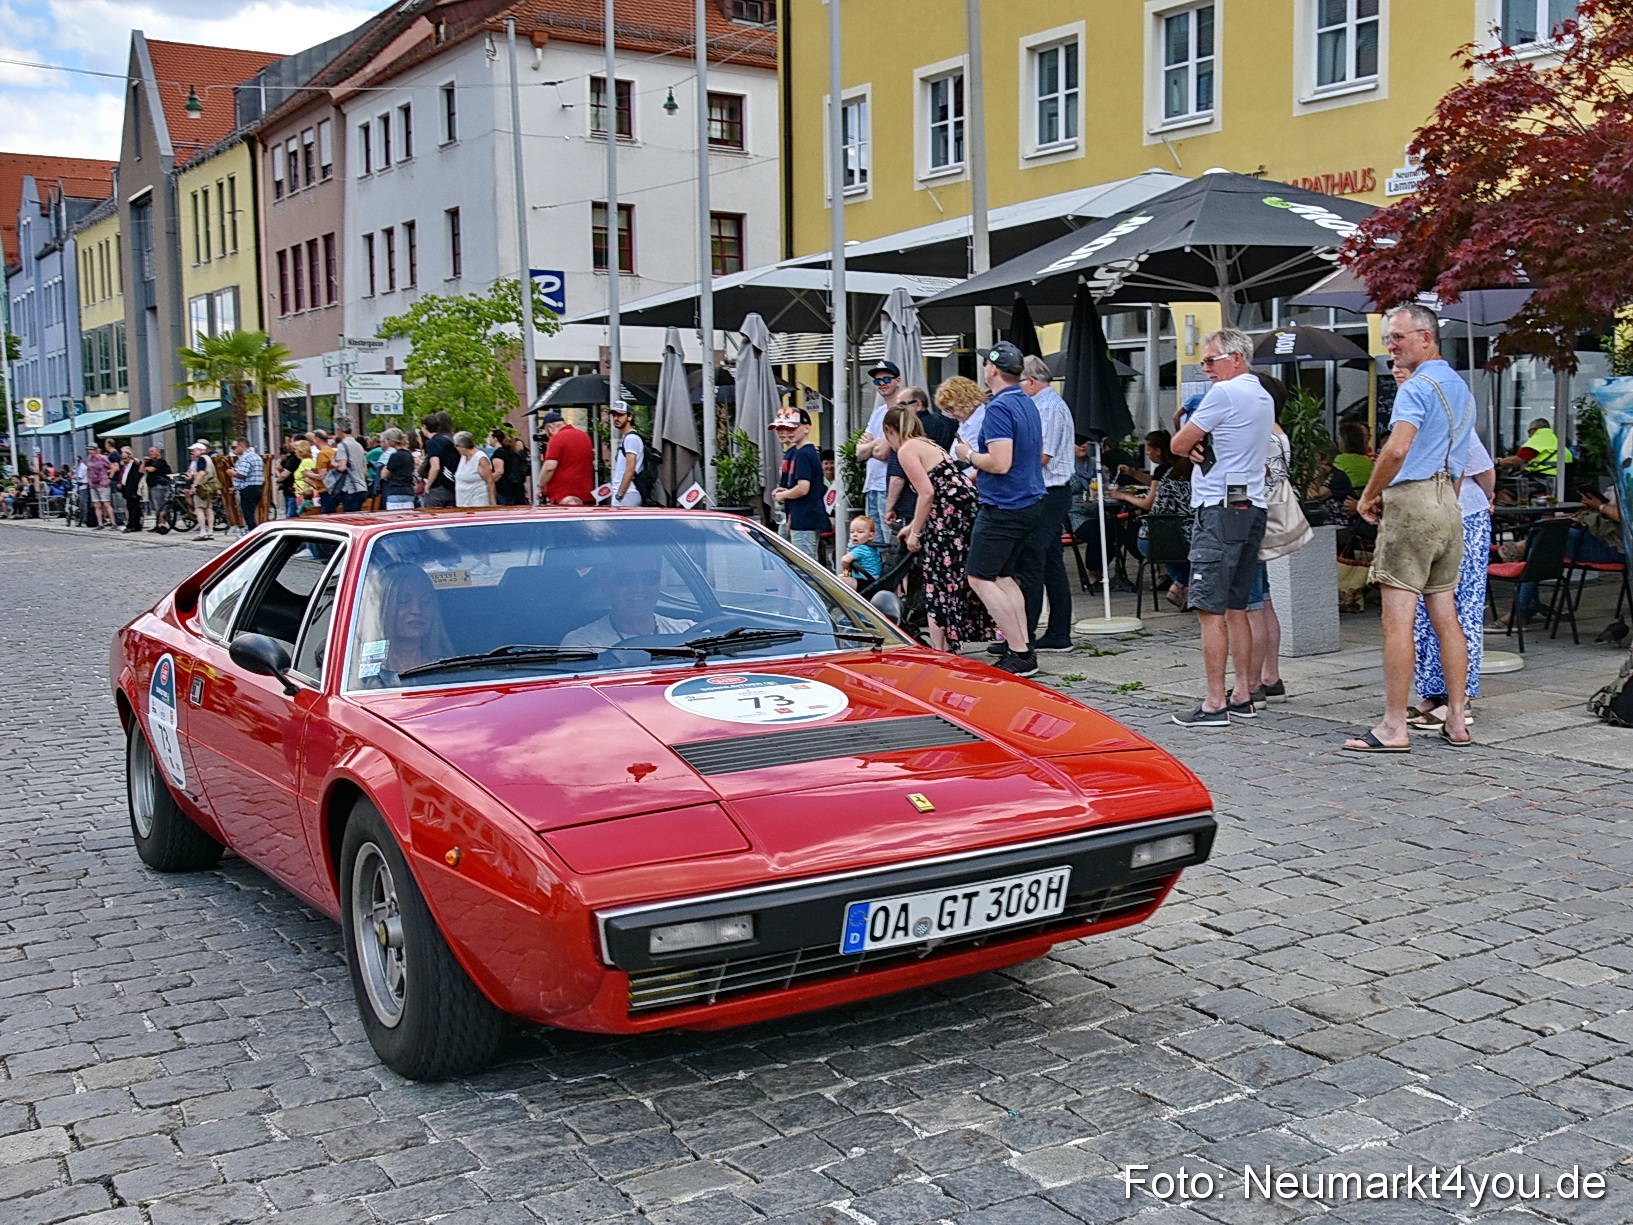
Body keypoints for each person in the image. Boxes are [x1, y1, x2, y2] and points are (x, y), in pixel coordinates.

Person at [1346, 303, 1475, 752]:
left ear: (1427, 336)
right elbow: (1458, 459)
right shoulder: (1460, 386)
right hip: (1448, 503)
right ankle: (1456, 718)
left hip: (1414, 500)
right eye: (1388, 339)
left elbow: (1397, 451)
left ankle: (1393, 726)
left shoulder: (1416, 387)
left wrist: (1368, 495)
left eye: (1398, 337)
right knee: (1446, 615)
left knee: (1396, 621)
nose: (1391, 346)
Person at [1168, 328, 1275, 727]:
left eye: (1211, 360)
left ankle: (1215, 702)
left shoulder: (1225, 393)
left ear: (1236, 358)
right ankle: (1243, 693)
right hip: (1250, 505)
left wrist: (1194, 441)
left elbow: (1179, 443)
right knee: (1238, 605)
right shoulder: (1262, 394)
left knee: (1210, 608)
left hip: (1217, 507)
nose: (1206, 367)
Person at [952, 341, 1047, 677]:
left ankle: (1019, 651)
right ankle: (1023, 648)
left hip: (1004, 506)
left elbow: (1000, 462)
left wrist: (967, 456)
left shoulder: (999, 408)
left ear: (991, 369)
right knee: (1005, 576)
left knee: (979, 577)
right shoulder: (1026, 400)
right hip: (1029, 501)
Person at [888, 405, 994, 651]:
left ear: (889, 430)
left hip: (949, 517)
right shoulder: (929, 444)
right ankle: (950, 640)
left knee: (937, 579)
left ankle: (940, 647)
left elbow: (927, 493)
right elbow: (944, 485)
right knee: (956, 578)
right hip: (963, 511)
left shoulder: (906, 450)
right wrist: (914, 524)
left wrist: (916, 533)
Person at [1411, 431, 1497, 732]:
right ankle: (1435, 691)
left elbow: (1485, 471)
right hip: (1431, 514)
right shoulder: (1415, 413)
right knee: (1426, 609)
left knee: (1463, 607)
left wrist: (1486, 497)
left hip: (1463, 515)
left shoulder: (1455, 417)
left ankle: (1460, 697)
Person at [1016, 354, 1077, 652]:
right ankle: (1057, 631)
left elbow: (1043, 456)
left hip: (1051, 490)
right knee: (1050, 562)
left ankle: (1025, 635)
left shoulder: (1050, 408)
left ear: (1031, 381)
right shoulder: (1043, 405)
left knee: (1034, 561)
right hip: (1047, 490)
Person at [1109, 450, 1195, 609]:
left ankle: (1184, 592)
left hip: (1148, 540)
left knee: (1178, 552)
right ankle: (1182, 586)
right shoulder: (1196, 482)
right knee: (1206, 548)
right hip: (1177, 541)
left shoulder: (1168, 475)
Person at [561, 553, 695, 648]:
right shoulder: (582, 645)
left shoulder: (690, 632)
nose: (639, 587)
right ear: (604, 584)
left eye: (649, 577)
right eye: (626, 578)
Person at [354, 564, 454, 686]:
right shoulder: (361, 674)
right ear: (383, 608)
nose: (416, 610)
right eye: (403, 601)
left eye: (425, 601)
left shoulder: (449, 670)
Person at [855, 360, 913, 542]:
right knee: (872, 542)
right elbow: (859, 452)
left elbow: (886, 453)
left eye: (886, 379)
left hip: (889, 486)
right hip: (872, 484)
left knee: (891, 540)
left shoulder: (903, 412)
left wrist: (872, 446)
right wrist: (875, 445)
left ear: (898, 380)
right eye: (877, 381)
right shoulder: (878, 412)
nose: (882, 384)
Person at [769, 406, 825, 557]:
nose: (787, 432)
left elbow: (803, 488)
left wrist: (783, 495)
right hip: (800, 516)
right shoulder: (802, 452)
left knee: (805, 566)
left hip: (805, 518)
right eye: (782, 428)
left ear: (806, 428)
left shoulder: (803, 454)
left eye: (792, 428)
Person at [1497, 416, 1573, 495]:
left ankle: (1512, 506)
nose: (1529, 436)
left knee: (1502, 489)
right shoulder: (1556, 441)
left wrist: (1499, 462)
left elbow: (1516, 461)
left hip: (1541, 480)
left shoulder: (1540, 438)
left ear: (1534, 429)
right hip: (1559, 482)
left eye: (1529, 432)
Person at [537, 411, 593, 505]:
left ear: (550, 428)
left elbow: (549, 468)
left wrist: (540, 486)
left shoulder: (556, 438)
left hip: (563, 497)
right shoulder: (584, 436)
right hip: (586, 496)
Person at [419, 412, 458, 508]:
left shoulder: (431, 442)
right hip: (450, 485)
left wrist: (428, 485)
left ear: (425, 426)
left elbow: (435, 467)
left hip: (438, 486)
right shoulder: (447, 441)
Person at [608, 404, 645, 507]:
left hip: (628, 494)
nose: (616, 418)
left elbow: (630, 469)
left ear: (630, 417)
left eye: (620, 415)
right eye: (614, 415)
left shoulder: (631, 438)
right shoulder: (627, 438)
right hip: (627, 493)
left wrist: (620, 495)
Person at [329, 423, 370, 513]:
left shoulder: (342, 445)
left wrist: (333, 463)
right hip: (361, 487)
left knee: (350, 516)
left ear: (340, 430)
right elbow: (364, 468)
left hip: (349, 488)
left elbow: (342, 467)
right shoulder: (359, 445)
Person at [186, 440, 219, 540]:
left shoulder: (201, 459)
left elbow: (201, 473)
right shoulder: (208, 459)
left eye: (194, 450)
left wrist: (194, 486)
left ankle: (202, 531)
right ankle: (210, 531)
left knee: (199, 508)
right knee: (209, 509)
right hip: (210, 486)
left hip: (202, 487)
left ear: (200, 450)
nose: (192, 452)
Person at [452, 431, 495, 507]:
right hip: (463, 502)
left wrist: (492, 502)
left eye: (456, 446)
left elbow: (490, 481)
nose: (455, 448)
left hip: (477, 502)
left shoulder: (480, 459)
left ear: (463, 447)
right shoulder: (463, 457)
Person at [379, 428, 417, 510]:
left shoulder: (395, 456)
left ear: (392, 441)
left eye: (387, 439)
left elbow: (384, 475)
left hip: (395, 491)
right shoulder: (408, 454)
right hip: (408, 491)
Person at [230, 440, 264, 531]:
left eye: (236, 447)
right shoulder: (257, 457)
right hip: (257, 487)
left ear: (242, 446)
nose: (235, 450)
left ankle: (253, 533)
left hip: (248, 488)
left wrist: (232, 472)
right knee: (251, 512)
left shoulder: (245, 458)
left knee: (248, 514)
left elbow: (242, 474)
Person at [489, 429, 530, 506]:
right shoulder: (511, 451)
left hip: (502, 489)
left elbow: (499, 472)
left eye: (490, 437)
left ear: (495, 439)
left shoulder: (498, 453)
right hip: (514, 488)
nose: (489, 440)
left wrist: (489, 481)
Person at [840, 515, 883, 585]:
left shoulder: (862, 549)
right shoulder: (870, 547)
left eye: (860, 532)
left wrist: (846, 566)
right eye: (852, 532)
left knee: (840, 581)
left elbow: (845, 560)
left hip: (867, 581)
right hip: (872, 579)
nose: (855, 535)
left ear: (870, 536)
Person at [1333, 420, 1374, 491]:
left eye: (1339, 438)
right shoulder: (1368, 460)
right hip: (1362, 497)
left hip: (1345, 498)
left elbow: (1331, 483)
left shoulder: (1340, 460)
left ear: (1344, 441)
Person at [141, 446, 172, 530]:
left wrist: (146, 468)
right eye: (149, 451)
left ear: (157, 452)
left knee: (160, 506)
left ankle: (162, 524)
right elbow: (140, 471)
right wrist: (144, 462)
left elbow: (151, 469)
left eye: (152, 451)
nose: (150, 453)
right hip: (152, 487)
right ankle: (158, 524)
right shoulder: (150, 462)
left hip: (160, 486)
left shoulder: (161, 462)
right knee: (156, 506)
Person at [85, 447, 113, 528]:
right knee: (96, 504)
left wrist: (109, 479)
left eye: (91, 450)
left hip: (102, 483)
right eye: (89, 450)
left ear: (96, 450)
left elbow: (113, 467)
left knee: (106, 503)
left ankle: (113, 523)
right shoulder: (89, 459)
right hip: (94, 484)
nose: (90, 452)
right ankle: (100, 524)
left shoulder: (103, 458)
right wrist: (89, 480)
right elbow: (88, 470)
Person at [276, 441, 301, 520]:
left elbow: (285, 474)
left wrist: (279, 480)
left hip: (294, 491)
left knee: (291, 517)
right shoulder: (290, 457)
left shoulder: (295, 459)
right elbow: (279, 467)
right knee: (288, 514)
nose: (288, 443)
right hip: (288, 490)